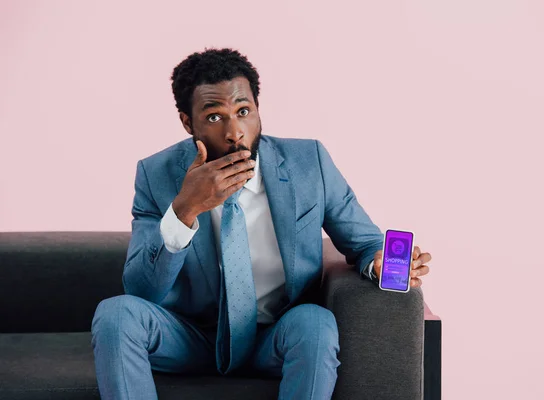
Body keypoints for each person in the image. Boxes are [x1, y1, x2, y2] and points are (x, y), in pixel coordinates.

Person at [91, 48, 432, 400]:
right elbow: (142, 291)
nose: (234, 132)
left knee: (315, 322)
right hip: (191, 336)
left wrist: (378, 261)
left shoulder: (308, 162)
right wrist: (185, 209)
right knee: (116, 314)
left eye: (243, 111)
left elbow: (363, 242)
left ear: (257, 108)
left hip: (275, 336)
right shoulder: (156, 175)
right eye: (213, 117)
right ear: (186, 122)